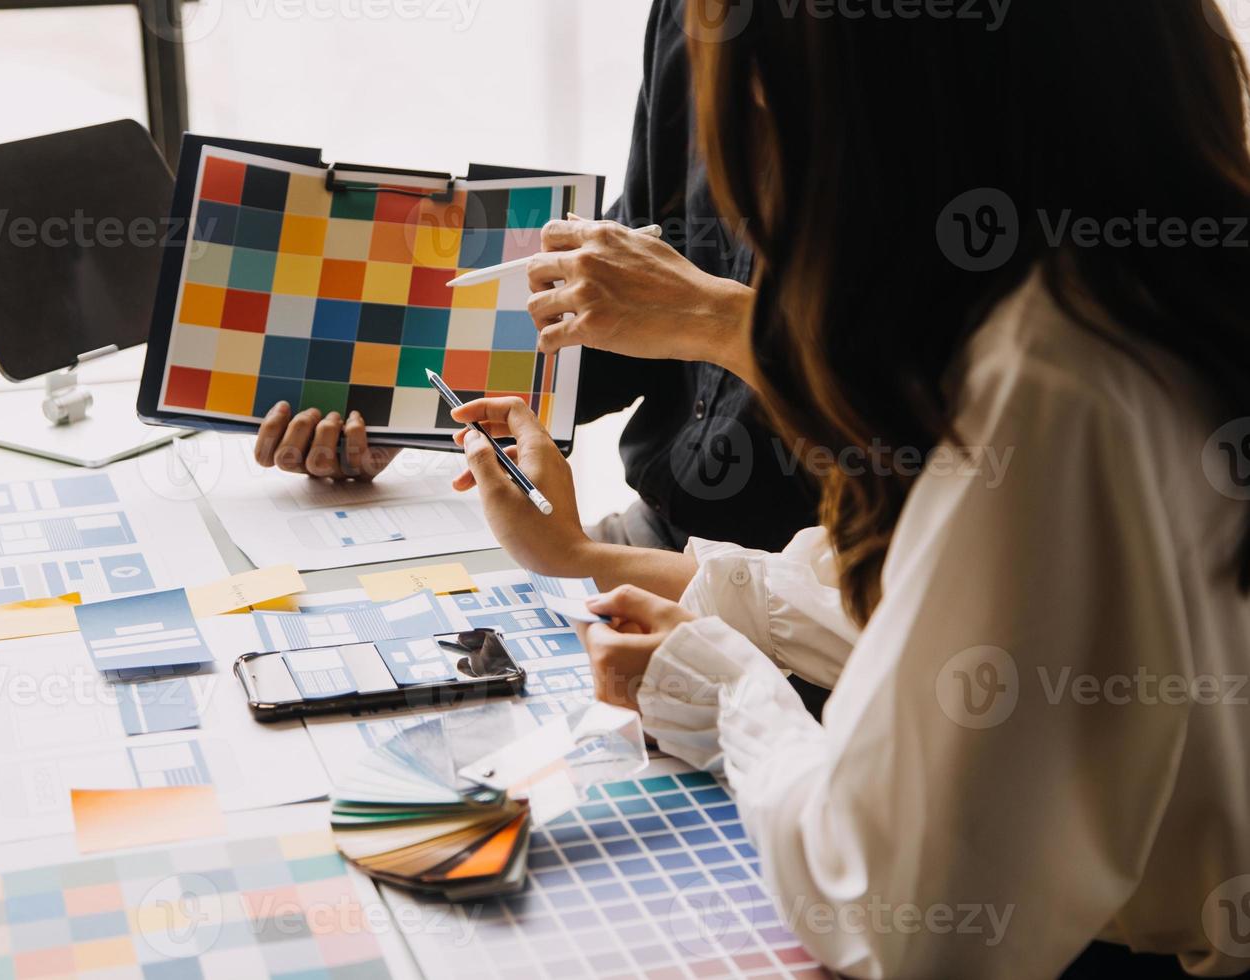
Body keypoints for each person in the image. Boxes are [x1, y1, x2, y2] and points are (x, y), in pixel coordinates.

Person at [448, 1, 1250, 977]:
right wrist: (599, 561)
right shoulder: (1152, 288)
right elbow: (960, 600)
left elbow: (902, 915)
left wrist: (726, 686)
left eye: (762, 112)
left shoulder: (1044, 375)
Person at [251, 0, 817, 556]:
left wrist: (719, 321)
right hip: (655, 532)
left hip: (827, 585)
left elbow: (895, 422)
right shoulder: (688, 14)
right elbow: (616, 320)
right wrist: (405, 414)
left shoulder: (893, 69)